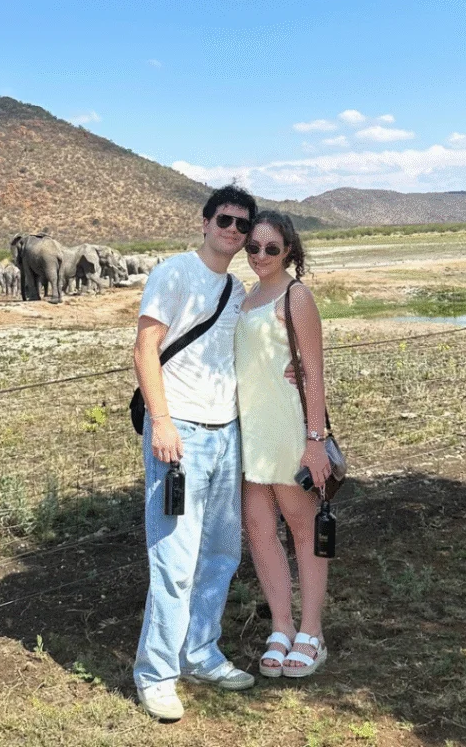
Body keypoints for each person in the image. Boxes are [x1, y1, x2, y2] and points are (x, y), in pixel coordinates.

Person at [132, 184, 258, 721]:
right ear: (205, 223)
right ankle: (157, 674)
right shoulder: (174, 273)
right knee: (175, 560)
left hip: (226, 433)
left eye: (242, 224)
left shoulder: (236, 287)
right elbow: (145, 348)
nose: (233, 230)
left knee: (222, 553)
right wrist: (161, 421)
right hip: (179, 433)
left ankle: (200, 652)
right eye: (224, 219)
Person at [235, 210, 331, 678]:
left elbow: (313, 374)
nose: (260, 255)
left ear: (288, 250)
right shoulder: (246, 296)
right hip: (249, 431)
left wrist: (315, 442)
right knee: (258, 529)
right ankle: (281, 625)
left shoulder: (297, 297)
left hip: (287, 429)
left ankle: (312, 632)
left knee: (302, 528)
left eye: (271, 248)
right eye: (253, 246)